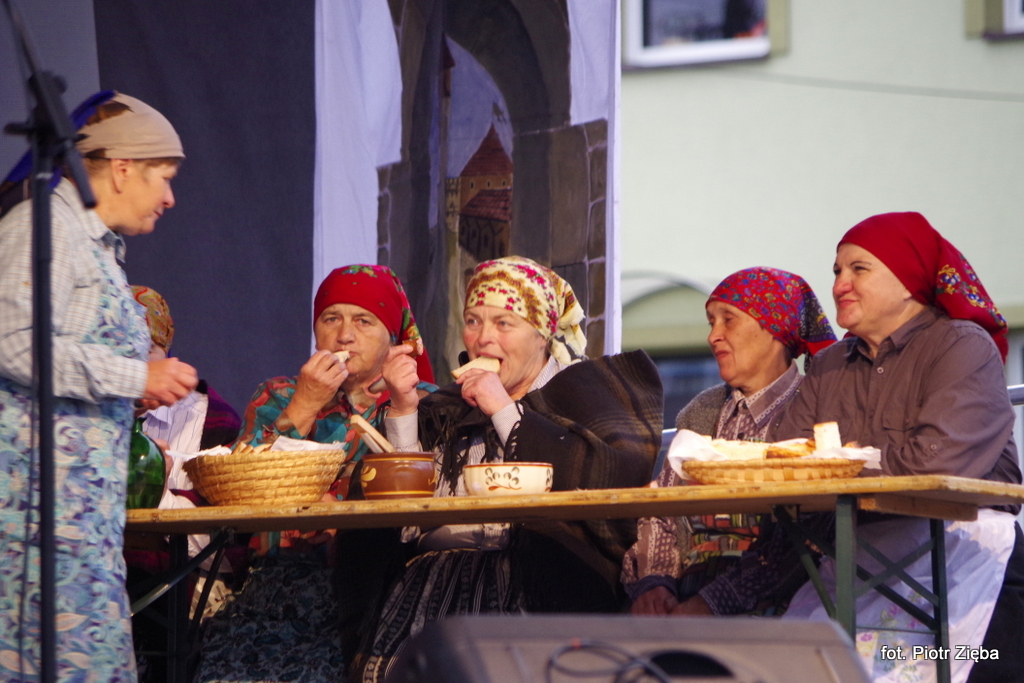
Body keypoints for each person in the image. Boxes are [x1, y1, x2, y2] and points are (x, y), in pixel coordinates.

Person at [683, 213, 1022, 683]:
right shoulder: (828, 366)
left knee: (950, 667)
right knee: (797, 672)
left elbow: (937, 462)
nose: (840, 284)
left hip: (963, 556)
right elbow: (788, 462)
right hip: (858, 555)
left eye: (858, 269)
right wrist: (845, 462)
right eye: (837, 271)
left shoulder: (962, 347)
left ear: (907, 280)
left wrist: (838, 462)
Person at [348, 256, 665, 682]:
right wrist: (405, 411)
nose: (483, 339)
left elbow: (612, 482)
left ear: (541, 334)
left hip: (541, 591)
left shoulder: (583, 394)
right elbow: (403, 522)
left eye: (503, 323)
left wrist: (503, 409)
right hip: (429, 594)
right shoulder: (444, 408)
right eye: (473, 321)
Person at [0, 93, 198, 682]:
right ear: (122, 168)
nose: (170, 197)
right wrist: (135, 375)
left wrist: (131, 390)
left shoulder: (98, 248)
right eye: (164, 177)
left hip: (81, 521)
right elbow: (12, 341)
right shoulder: (44, 228)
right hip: (31, 524)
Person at [193, 264, 434, 683]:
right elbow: (236, 486)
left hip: (378, 587)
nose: (344, 335)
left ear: (394, 338)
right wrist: (304, 405)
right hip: (277, 583)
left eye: (364, 321)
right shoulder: (279, 394)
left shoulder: (421, 402)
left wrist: (343, 522)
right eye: (330, 318)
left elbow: (428, 496)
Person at [622, 267, 836, 616]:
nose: (713, 336)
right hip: (681, 598)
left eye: (728, 320)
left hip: (775, 610)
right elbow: (661, 508)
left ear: (774, 327)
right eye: (711, 322)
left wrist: (714, 602)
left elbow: (807, 535)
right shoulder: (701, 411)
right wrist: (655, 583)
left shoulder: (815, 414)